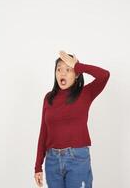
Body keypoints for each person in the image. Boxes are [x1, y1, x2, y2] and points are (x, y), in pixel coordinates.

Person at [34, 50, 110, 188]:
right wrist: (38, 166)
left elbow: (104, 75)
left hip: (77, 159)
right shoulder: (48, 98)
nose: (62, 73)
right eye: (59, 69)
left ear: (76, 74)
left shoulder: (86, 93)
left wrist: (78, 66)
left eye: (68, 70)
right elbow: (43, 132)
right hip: (52, 161)